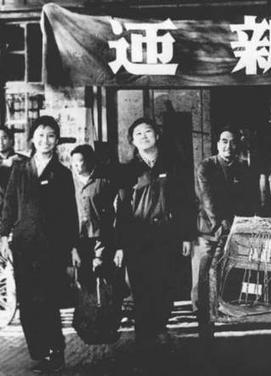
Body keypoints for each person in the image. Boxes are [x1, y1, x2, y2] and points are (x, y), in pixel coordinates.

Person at [0, 116, 79, 373]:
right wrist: (4, 235)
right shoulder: (20, 169)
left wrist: (73, 247)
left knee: (48, 298)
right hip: (23, 244)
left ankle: (55, 350)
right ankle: (39, 350)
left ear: (57, 140)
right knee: (27, 300)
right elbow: (9, 204)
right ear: (32, 138)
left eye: (51, 136)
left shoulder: (62, 174)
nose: (45, 140)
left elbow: (70, 214)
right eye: (41, 135)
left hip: (51, 246)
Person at [115, 118, 193, 358]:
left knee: (166, 286)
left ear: (157, 136)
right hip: (138, 239)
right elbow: (122, 211)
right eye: (138, 134)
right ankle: (145, 339)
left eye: (147, 131)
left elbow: (185, 202)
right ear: (132, 141)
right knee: (141, 290)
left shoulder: (174, 165)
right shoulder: (127, 170)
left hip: (168, 236)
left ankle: (159, 327)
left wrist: (186, 236)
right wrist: (120, 246)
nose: (143, 136)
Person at [192, 126, 257, 340]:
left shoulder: (243, 167)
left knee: (233, 271)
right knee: (205, 272)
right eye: (224, 141)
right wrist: (220, 225)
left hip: (235, 229)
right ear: (218, 144)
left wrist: (245, 223)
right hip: (210, 230)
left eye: (232, 142)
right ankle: (203, 320)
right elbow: (207, 199)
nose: (228, 146)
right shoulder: (206, 166)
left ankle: (229, 313)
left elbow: (248, 198)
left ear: (237, 146)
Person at [70, 144, 123, 283]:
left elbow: (115, 205)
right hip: (79, 236)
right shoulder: (70, 181)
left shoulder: (103, 180)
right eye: (73, 162)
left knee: (104, 274)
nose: (76, 166)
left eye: (80, 161)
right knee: (83, 276)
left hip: (101, 235)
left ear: (88, 161)